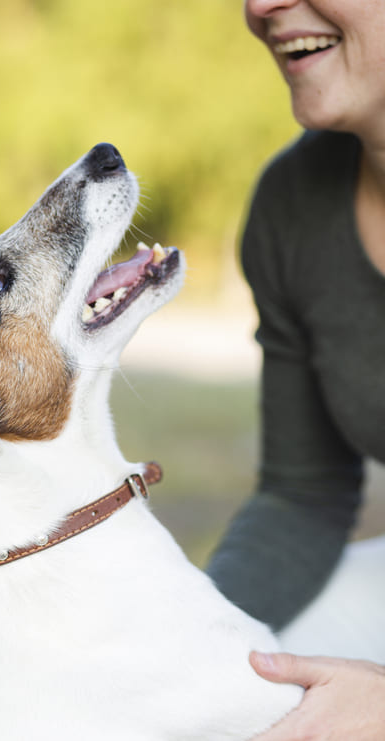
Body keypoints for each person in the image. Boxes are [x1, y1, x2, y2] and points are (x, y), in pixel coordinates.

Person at [205, 1, 385, 738]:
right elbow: (302, 495)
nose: (261, 5)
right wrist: (181, 638)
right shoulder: (293, 205)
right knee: (227, 689)